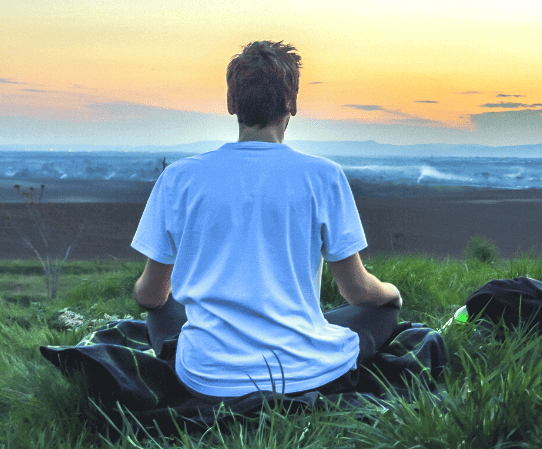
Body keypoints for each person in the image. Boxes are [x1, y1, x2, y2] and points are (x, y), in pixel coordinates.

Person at [131, 40, 402, 401]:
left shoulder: (178, 178)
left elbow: (150, 295)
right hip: (306, 374)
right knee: (382, 313)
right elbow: (357, 292)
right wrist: (391, 294)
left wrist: (162, 297)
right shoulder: (324, 176)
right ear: (292, 104)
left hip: (207, 379)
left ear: (231, 104)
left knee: (161, 308)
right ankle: (307, 338)